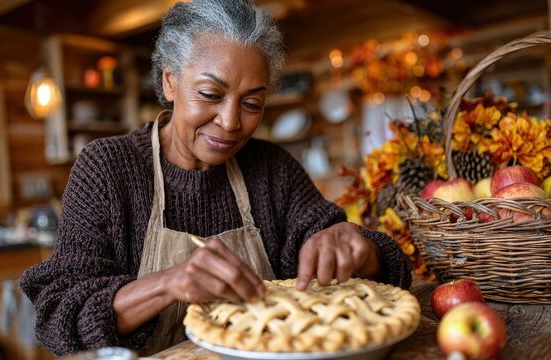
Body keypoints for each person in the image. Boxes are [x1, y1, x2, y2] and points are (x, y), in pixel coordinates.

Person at [20, 0, 412, 356]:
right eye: (210, 93)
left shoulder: (272, 169)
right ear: (170, 81)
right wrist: (166, 285)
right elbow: (58, 316)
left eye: (252, 103)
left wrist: (361, 247)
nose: (230, 122)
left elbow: (388, 268)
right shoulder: (107, 168)